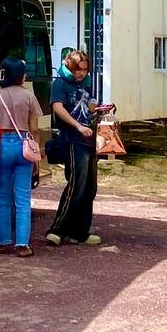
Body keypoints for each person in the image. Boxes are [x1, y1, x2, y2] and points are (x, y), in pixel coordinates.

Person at [0, 58, 43, 257]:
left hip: (2, 146)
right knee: (22, 198)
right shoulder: (29, 96)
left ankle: (0, 241)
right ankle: (22, 244)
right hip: (24, 146)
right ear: (21, 76)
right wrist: (37, 157)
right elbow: (34, 129)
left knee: (0, 197)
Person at [44, 49, 102, 247]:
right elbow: (57, 107)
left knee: (90, 187)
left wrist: (96, 109)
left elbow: (88, 106)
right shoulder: (60, 83)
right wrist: (78, 126)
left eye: (85, 70)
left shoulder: (85, 84)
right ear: (70, 66)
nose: (82, 73)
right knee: (76, 184)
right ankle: (57, 229)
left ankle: (79, 232)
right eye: (78, 69)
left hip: (89, 139)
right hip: (72, 139)